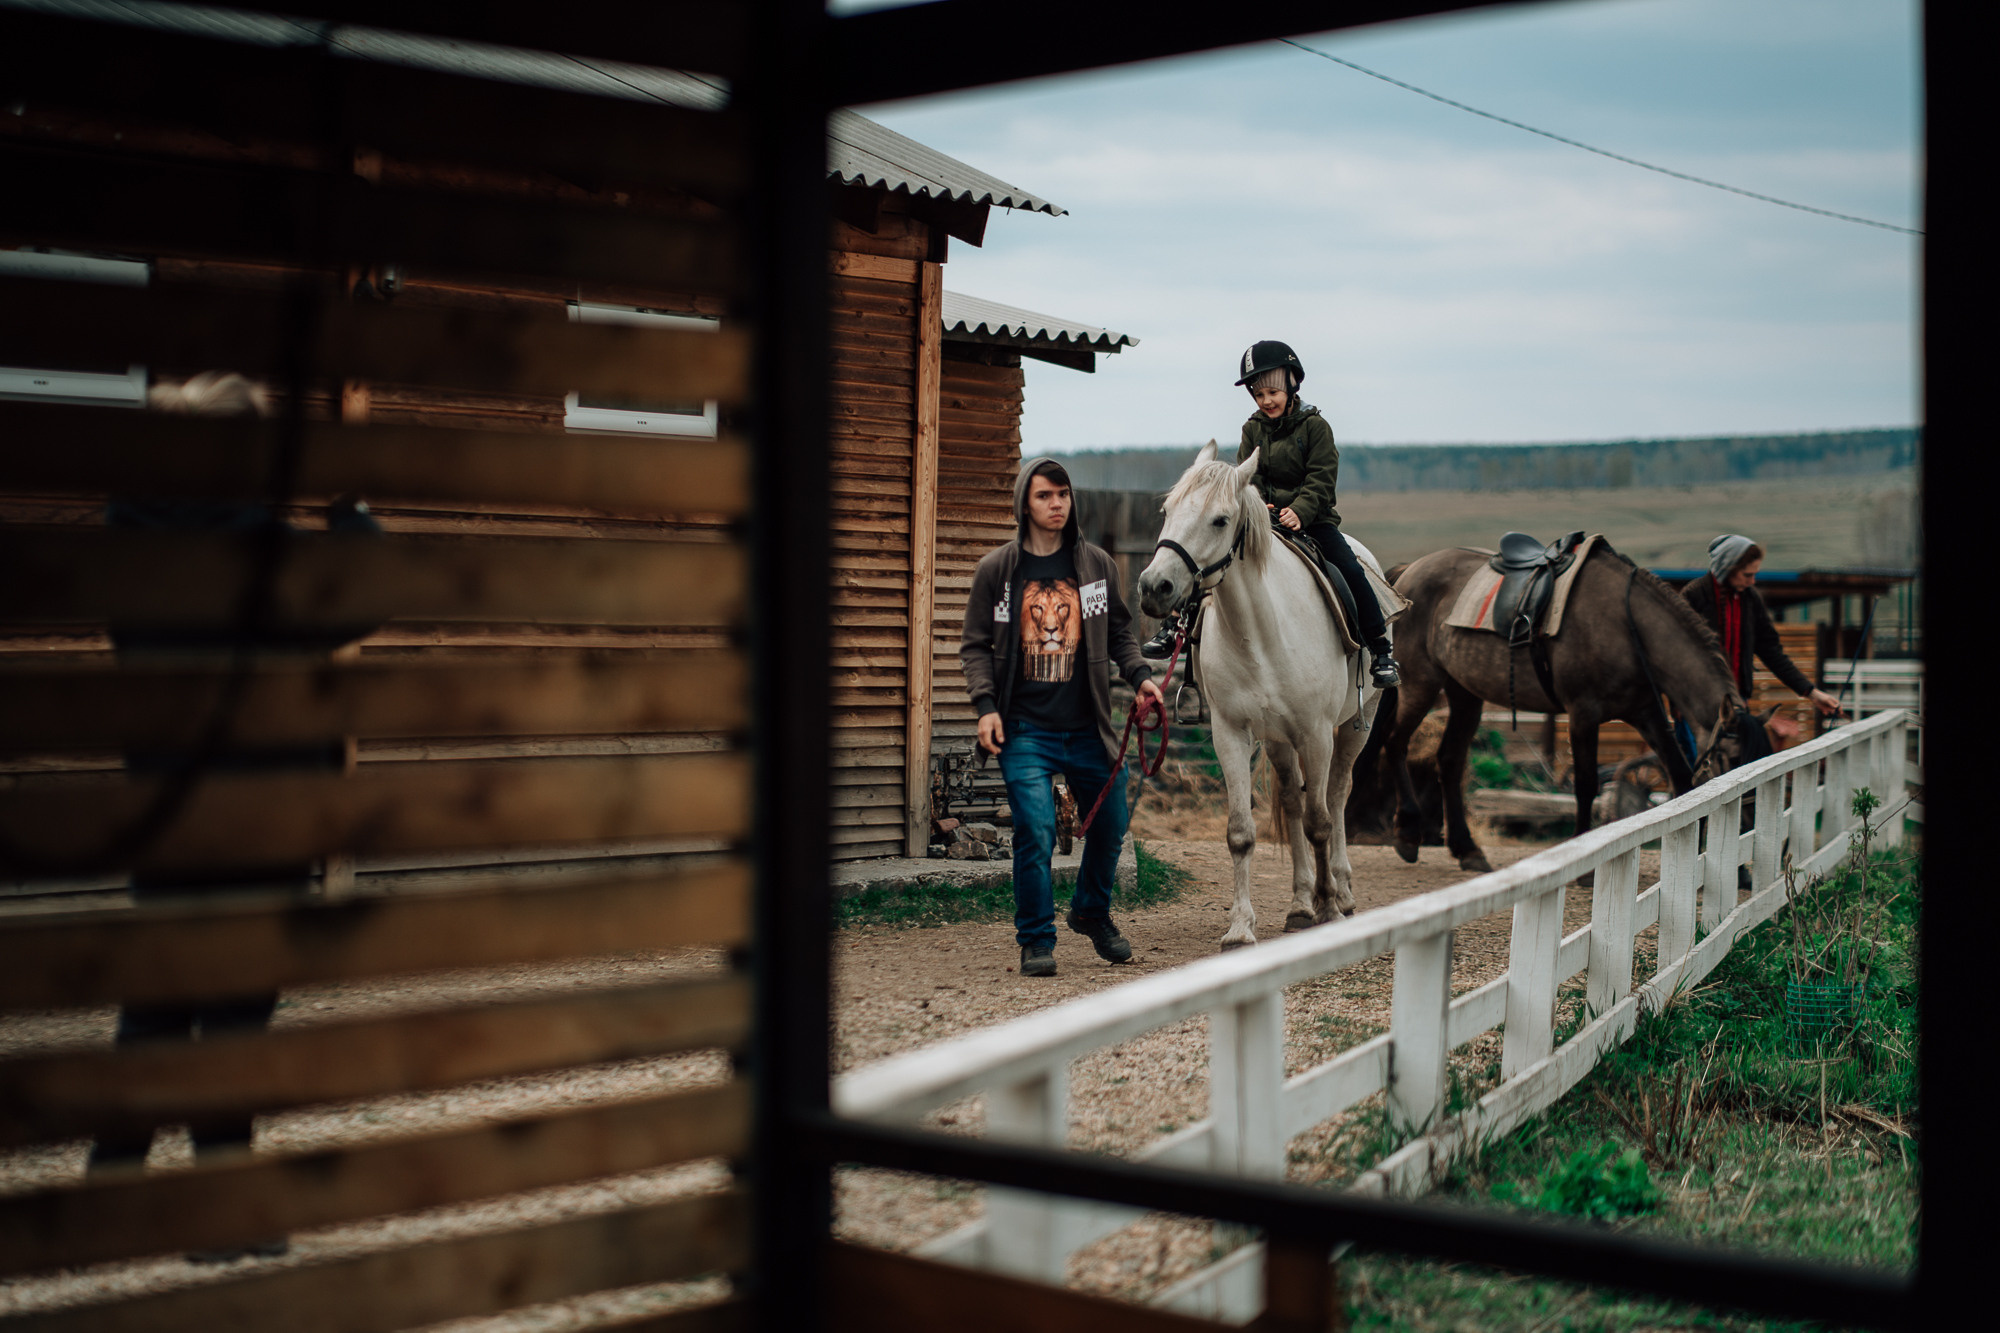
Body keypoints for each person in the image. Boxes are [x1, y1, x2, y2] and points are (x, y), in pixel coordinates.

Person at [961, 458, 1164, 978]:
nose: (1056, 504)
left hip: (1088, 728)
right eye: (1044, 496)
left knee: (1112, 823)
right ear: (1024, 504)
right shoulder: (998, 573)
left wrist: (1140, 676)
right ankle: (1035, 939)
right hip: (1024, 729)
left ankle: (1091, 911)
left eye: (1063, 495)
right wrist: (986, 708)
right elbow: (975, 646)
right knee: (1036, 828)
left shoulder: (1095, 565)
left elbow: (1118, 632)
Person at [1143, 341, 1399, 689]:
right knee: (1209, 561)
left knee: (1351, 570)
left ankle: (1381, 650)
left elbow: (1322, 479)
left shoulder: (1316, 427)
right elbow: (1250, 476)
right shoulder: (1252, 429)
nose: (1266, 400)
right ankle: (1174, 628)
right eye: (1259, 394)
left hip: (1314, 521)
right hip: (1265, 520)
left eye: (1273, 392)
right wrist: (1259, 504)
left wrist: (1301, 511)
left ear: (1292, 385)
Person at [1682, 533, 1843, 733]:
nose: (1752, 581)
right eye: (1747, 575)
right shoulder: (1693, 596)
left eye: (1754, 574)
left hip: (1737, 705)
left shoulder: (1751, 600)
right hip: (1695, 706)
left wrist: (1811, 693)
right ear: (1728, 568)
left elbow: (1772, 652)